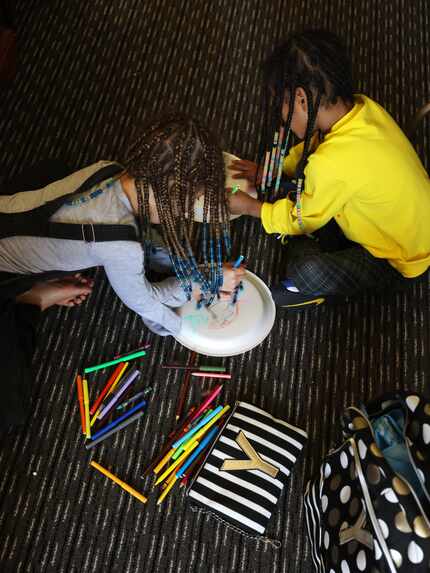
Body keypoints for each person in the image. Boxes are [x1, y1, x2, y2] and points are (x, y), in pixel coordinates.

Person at [0, 114, 243, 431]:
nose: (185, 215)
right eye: (184, 208)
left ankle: (31, 285)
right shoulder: (122, 248)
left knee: (53, 172)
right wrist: (191, 311)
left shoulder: (107, 169)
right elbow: (148, 304)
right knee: (11, 413)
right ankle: (31, 297)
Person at [228, 29, 430, 309]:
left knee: (305, 268)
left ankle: (313, 285)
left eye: (282, 105)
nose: (282, 117)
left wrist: (252, 207)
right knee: (298, 192)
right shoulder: (362, 106)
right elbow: (316, 144)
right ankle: (300, 210)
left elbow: (304, 218)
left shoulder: (331, 163)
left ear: (301, 99)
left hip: (399, 260)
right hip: (401, 226)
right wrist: (275, 170)